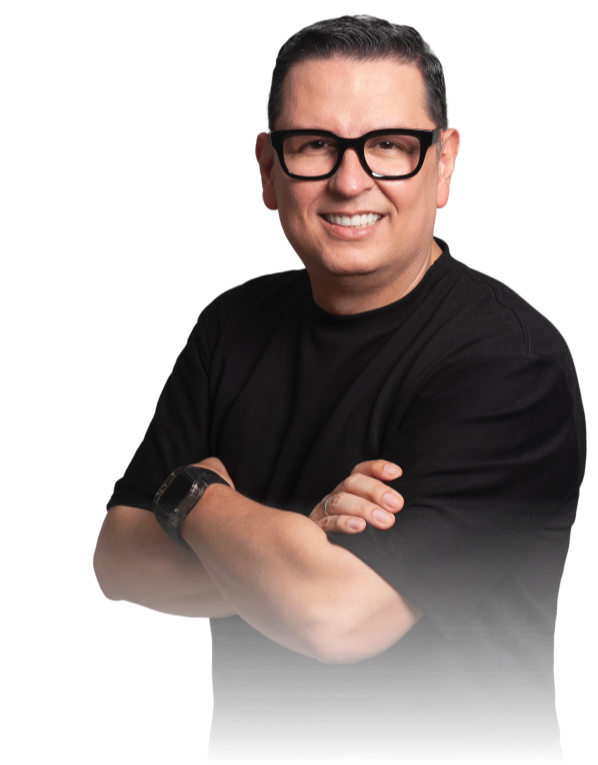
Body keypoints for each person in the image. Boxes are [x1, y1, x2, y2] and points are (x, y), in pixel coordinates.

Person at [93, 15, 586, 756]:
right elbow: (117, 560)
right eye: (314, 145)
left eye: (389, 145)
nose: (350, 181)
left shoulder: (509, 361)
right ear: (267, 168)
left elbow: (336, 616)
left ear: (444, 163)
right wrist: (297, 544)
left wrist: (195, 496)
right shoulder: (231, 325)